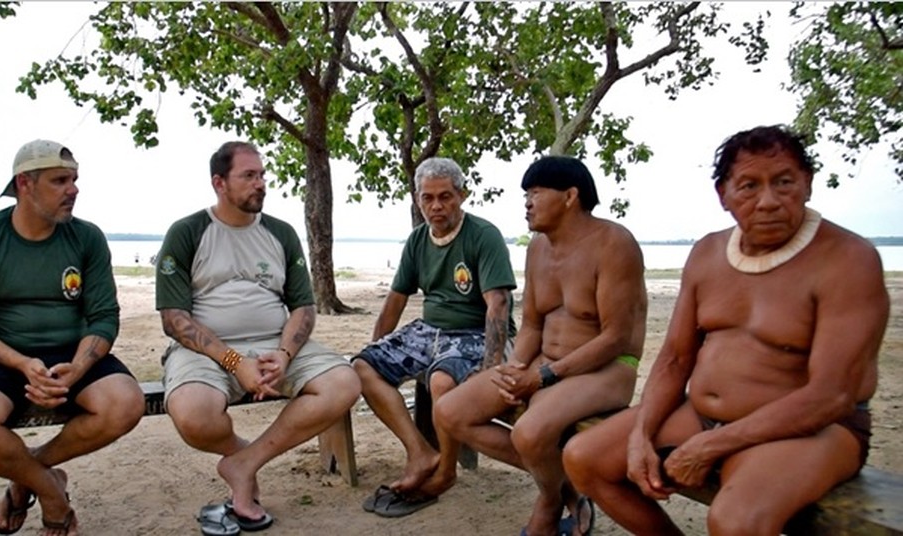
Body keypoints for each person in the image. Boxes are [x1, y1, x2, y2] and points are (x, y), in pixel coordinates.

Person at [563, 125, 890, 535]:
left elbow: (832, 397)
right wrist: (640, 434)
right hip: (701, 416)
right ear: (724, 195)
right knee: (583, 458)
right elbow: (675, 359)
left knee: (735, 521)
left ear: (807, 184)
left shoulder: (848, 260)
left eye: (784, 182)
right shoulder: (707, 254)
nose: (768, 201)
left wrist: (712, 445)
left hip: (814, 430)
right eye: (749, 186)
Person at [0, 139, 145, 536]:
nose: (74, 189)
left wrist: (80, 366)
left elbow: (104, 317)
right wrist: (21, 363)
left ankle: (27, 476)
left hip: (72, 355)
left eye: (74, 179)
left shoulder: (87, 238)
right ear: (25, 184)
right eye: (60, 180)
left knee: (125, 403)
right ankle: (51, 491)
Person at [155, 141, 361, 534]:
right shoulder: (187, 232)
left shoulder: (280, 233)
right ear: (219, 182)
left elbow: (303, 308)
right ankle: (238, 453)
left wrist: (284, 354)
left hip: (273, 343)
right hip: (206, 351)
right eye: (249, 176)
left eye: (262, 175)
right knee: (194, 415)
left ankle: (244, 464)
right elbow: (174, 319)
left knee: (344, 382)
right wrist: (234, 363)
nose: (261, 184)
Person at [434, 156, 647, 536]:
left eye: (535, 193)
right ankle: (564, 484)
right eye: (525, 195)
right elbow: (532, 322)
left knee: (529, 433)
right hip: (544, 363)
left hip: (607, 368)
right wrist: (515, 368)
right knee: (451, 412)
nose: (527, 203)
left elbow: (615, 337)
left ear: (570, 196)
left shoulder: (615, 243)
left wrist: (544, 376)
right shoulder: (537, 248)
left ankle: (548, 502)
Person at [353, 157, 517, 518]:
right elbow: (395, 301)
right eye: (428, 198)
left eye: (446, 196)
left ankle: (447, 471)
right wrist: (374, 347)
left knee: (442, 380)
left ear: (462, 194)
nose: (437, 206)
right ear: (418, 200)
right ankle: (420, 452)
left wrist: (491, 368)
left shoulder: (483, 235)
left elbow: (498, 305)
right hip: (429, 330)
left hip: (476, 329)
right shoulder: (416, 240)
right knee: (363, 367)